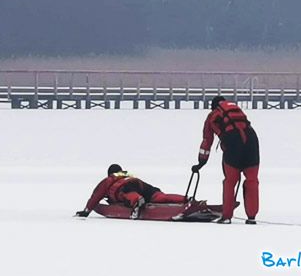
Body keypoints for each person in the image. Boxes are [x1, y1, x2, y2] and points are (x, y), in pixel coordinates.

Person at [192, 96, 260, 224]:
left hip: (232, 141)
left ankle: (226, 216)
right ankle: (252, 217)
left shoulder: (213, 115)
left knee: (230, 181)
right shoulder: (236, 109)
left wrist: (201, 162)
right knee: (252, 180)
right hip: (251, 140)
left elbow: (207, 141)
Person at [75, 164, 189, 219]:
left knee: (127, 193)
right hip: (142, 185)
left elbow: (96, 196)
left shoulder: (109, 180)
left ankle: (137, 201)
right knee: (160, 197)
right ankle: (185, 199)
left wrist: (87, 210)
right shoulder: (127, 175)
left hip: (127, 188)